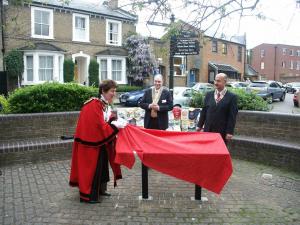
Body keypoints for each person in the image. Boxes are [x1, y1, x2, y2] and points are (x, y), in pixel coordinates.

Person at [69, 80, 126, 203]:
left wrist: (113, 121)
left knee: (103, 167)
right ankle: (89, 195)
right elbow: (98, 128)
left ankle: (101, 190)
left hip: (100, 143)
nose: (114, 94)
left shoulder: (103, 104)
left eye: (115, 91)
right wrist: (115, 126)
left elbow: (104, 122)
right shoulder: (93, 105)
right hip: (90, 145)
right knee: (93, 170)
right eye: (112, 91)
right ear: (103, 91)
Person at [197, 73, 238, 143]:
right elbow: (204, 111)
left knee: (219, 152)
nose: (216, 83)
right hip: (208, 130)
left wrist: (229, 132)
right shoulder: (209, 95)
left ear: (225, 82)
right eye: (215, 80)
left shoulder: (232, 97)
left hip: (222, 132)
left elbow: (232, 116)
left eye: (218, 81)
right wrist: (199, 125)